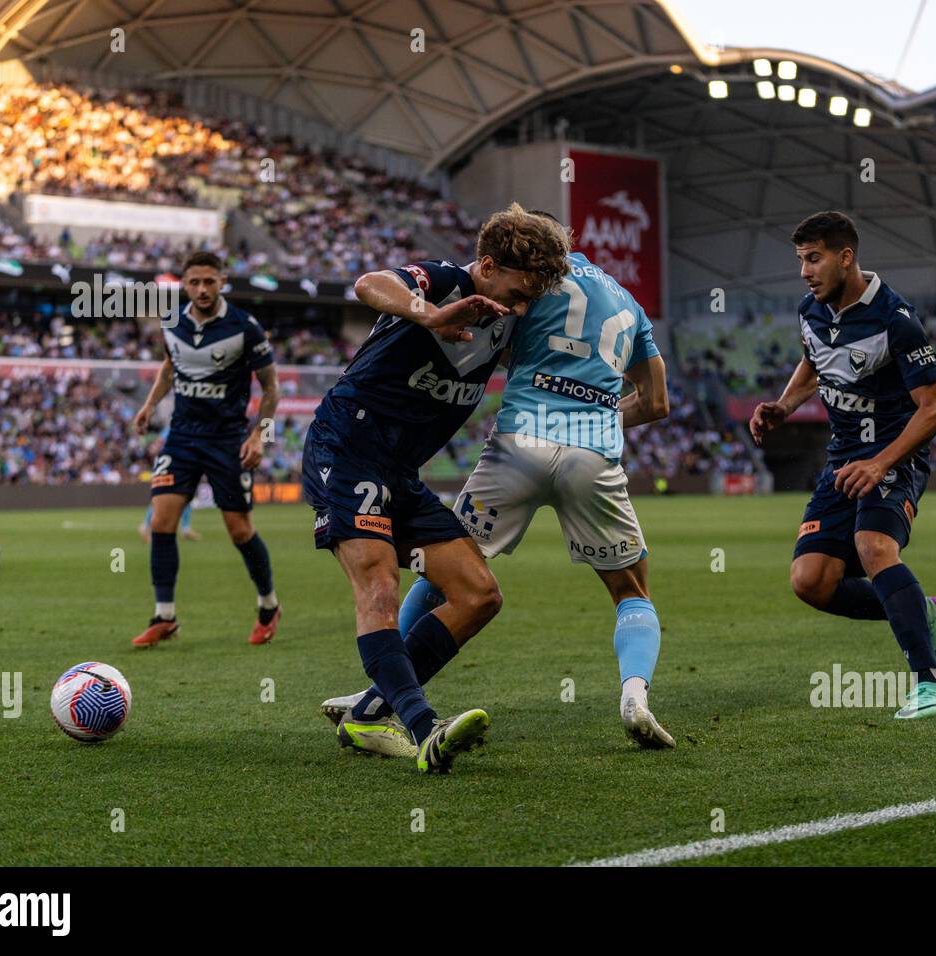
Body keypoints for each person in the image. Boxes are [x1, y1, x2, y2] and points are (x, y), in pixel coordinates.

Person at [324, 226, 675, 750]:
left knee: (448, 572)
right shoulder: (630, 304)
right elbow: (656, 403)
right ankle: (635, 697)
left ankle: (379, 697)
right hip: (593, 454)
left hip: (518, 444)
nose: (522, 300)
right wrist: (596, 418)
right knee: (631, 591)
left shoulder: (533, 286)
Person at [302, 202, 571, 773]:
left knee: (479, 596)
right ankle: (426, 730)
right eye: (517, 292)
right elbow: (369, 283)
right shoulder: (445, 280)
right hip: (349, 446)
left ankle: (369, 713)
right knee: (379, 584)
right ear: (487, 264)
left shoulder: (513, 317)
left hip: (399, 473)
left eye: (530, 299)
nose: (522, 308)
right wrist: (428, 314)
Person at [750, 211, 936, 720]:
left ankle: (931, 684)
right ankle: (921, 609)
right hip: (843, 458)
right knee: (811, 581)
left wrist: (880, 463)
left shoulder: (896, 319)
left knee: (872, 547)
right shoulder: (811, 311)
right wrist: (784, 404)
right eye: (801, 259)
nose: (805, 270)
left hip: (895, 454)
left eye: (814, 258)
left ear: (846, 257)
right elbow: (813, 361)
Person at [129, 251, 282, 647]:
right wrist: (149, 405)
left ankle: (268, 604)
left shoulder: (245, 327)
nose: (201, 289)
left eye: (209, 281)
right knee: (162, 522)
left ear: (222, 281)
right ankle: (164, 615)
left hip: (227, 440)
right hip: (181, 436)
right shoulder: (172, 323)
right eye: (194, 282)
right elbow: (169, 366)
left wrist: (258, 436)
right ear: (184, 284)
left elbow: (270, 389)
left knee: (239, 529)